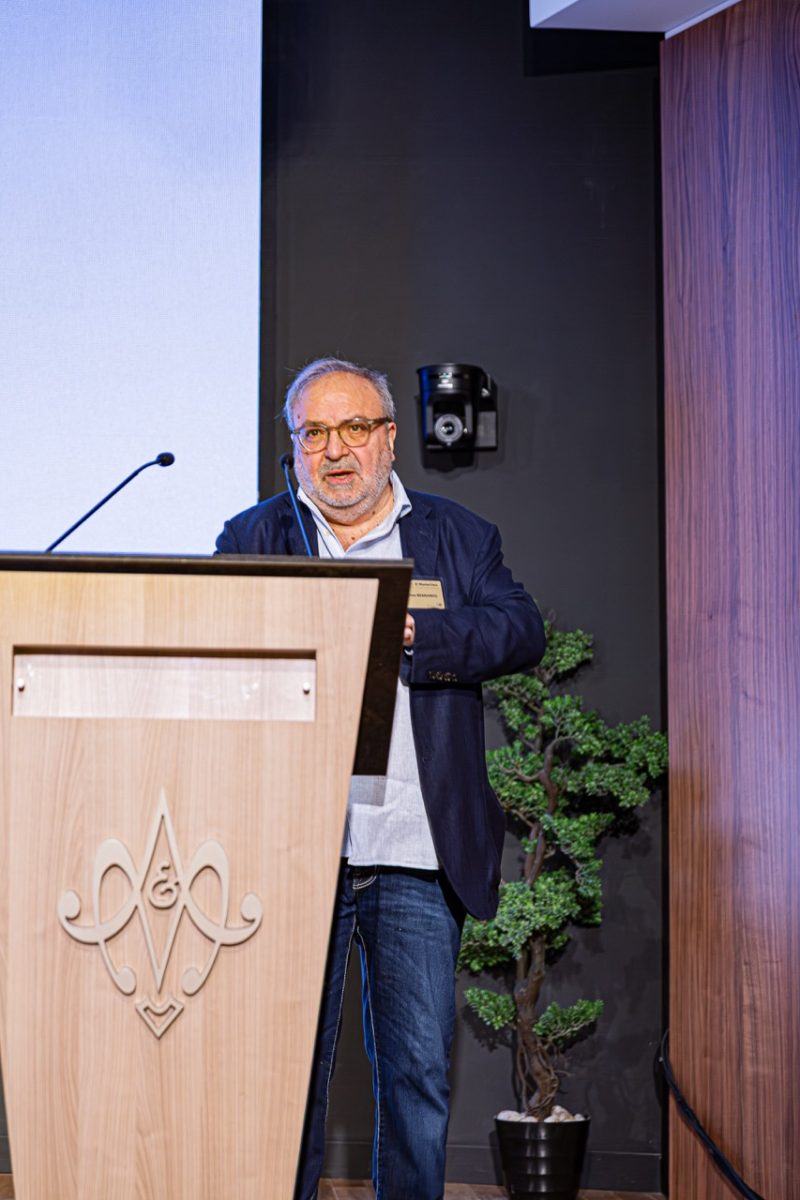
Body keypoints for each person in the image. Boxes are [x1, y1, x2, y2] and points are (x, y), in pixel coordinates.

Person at [216, 357, 545, 1200]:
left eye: (354, 427)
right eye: (314, 433)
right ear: (294, 447)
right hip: (294, 856)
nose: (335, 450)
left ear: (390, 437)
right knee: (288, 1080)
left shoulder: (457, 535)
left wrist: (415, 634)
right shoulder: (253, 537)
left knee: (416, 1081)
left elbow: (520, 630)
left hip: (415, 851)